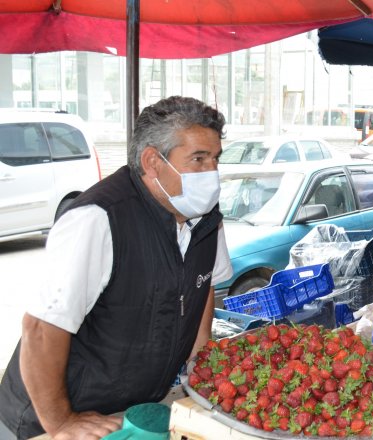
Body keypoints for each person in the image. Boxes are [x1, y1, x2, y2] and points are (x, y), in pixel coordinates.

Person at [0, 96, 231, 439]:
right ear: (153, 161)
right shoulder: (97, 219)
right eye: (198, 159)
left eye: (215, 159)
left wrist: (200, 363)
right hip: (54, 418)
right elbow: (41, 329)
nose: (210, 173)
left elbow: (203, 286)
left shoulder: (206, 219)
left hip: (132, 411)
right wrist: (61, 421)